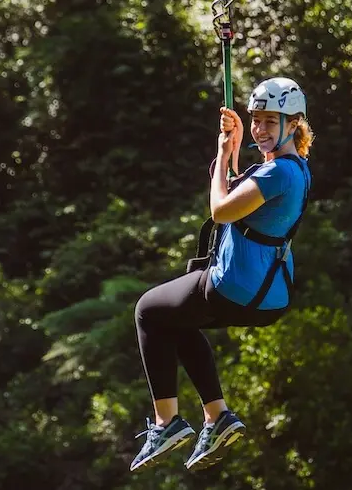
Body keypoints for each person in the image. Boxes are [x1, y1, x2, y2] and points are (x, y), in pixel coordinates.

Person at [130, 77, 313, 473]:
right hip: (268, 298)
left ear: (294, 123)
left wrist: (219, 154)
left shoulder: (278, 172)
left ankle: (167, 424)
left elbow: (221, 210)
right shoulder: (295, 169)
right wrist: (230, 153)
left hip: (233, 286)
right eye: (256, 120)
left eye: (270, 121)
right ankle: (217, 416)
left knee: (147, 311)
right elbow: (241, 194)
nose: (260, 130)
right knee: (175, 322)